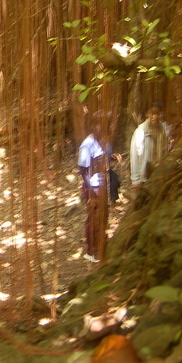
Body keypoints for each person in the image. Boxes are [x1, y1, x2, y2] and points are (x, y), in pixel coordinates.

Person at [78, 113, 109, 263]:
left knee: (101, 217)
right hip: (93, 186)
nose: (102, 127)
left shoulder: (99, 141)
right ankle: (91, 251)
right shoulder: (87, 144)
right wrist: (90, 192)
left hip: (101, 184)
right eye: (99, 124)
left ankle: (100, 245)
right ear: (93, 126)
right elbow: (83, 170)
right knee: (93, 218)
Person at [130, 101, 171, 189]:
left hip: (161, 174)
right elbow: (134, 157)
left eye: (158, 114)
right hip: (145, 176)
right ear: (147, 114)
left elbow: (169, 149)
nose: (155, 117)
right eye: (152, 113)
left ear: (161, 114)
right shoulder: (140, 132)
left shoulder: (165, 129)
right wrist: (136, 181)